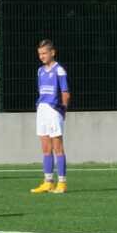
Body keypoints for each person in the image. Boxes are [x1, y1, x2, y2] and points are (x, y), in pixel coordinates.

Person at [30, 39, 70, 194]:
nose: (42, 56)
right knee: (46, 148)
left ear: (52, 53)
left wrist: (62, 111)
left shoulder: (59, 70)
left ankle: (62, 183)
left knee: (57, 147)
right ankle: (48, 182)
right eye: (40, 54)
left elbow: (65, 93)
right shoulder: (40, 71)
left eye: (44, 53)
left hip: (54, 111)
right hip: (42, 109)